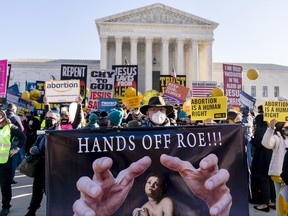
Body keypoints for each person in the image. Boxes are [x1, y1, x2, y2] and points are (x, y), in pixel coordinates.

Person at [72, 153, 232, 216]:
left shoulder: (165, 202)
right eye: (149, 183)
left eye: (155, 184)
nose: (151, 186)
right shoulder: (143, 207)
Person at [24, 110, 60, 216]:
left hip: (52, 167)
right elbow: (35, 143)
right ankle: (31, 211)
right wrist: (33, 148)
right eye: (47, 118)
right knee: (36, 190)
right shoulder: (43, 131)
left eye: (51, 118)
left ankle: (56, 211)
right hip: (40, 164)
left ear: (57, 120)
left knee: (50, 192)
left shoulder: (60, 134)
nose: (48, 120)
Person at [0, 109, 26, 216]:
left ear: (4, 116)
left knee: (5, 185)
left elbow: (23, 137)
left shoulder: (10, 127)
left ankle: (6, 206)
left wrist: (17, 149)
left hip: (5, 161)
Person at [262, 119, 288, 214]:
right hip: (279, 175)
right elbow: (266, 143)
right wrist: (271, 128)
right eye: (286, 127)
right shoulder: (277, 138)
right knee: (281, 201)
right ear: (281, 128)